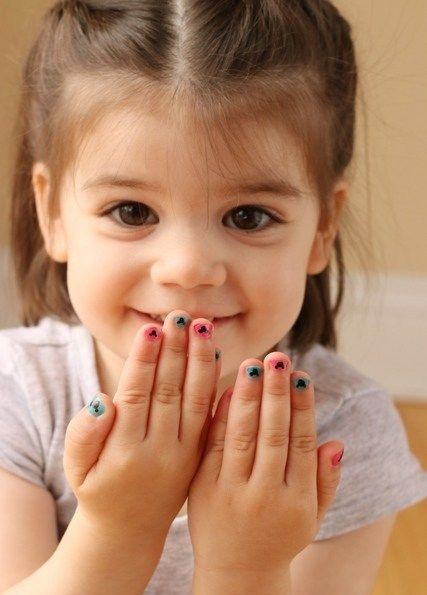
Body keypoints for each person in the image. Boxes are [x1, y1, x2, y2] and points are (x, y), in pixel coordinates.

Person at [0, 0, 426, 593]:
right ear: (51, 212)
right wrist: (119, 528)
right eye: (132, 211)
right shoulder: (17, 395)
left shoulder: (346, 432)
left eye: (248, 216)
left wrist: (245, 568)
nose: (188, 268)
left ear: (322, 229)